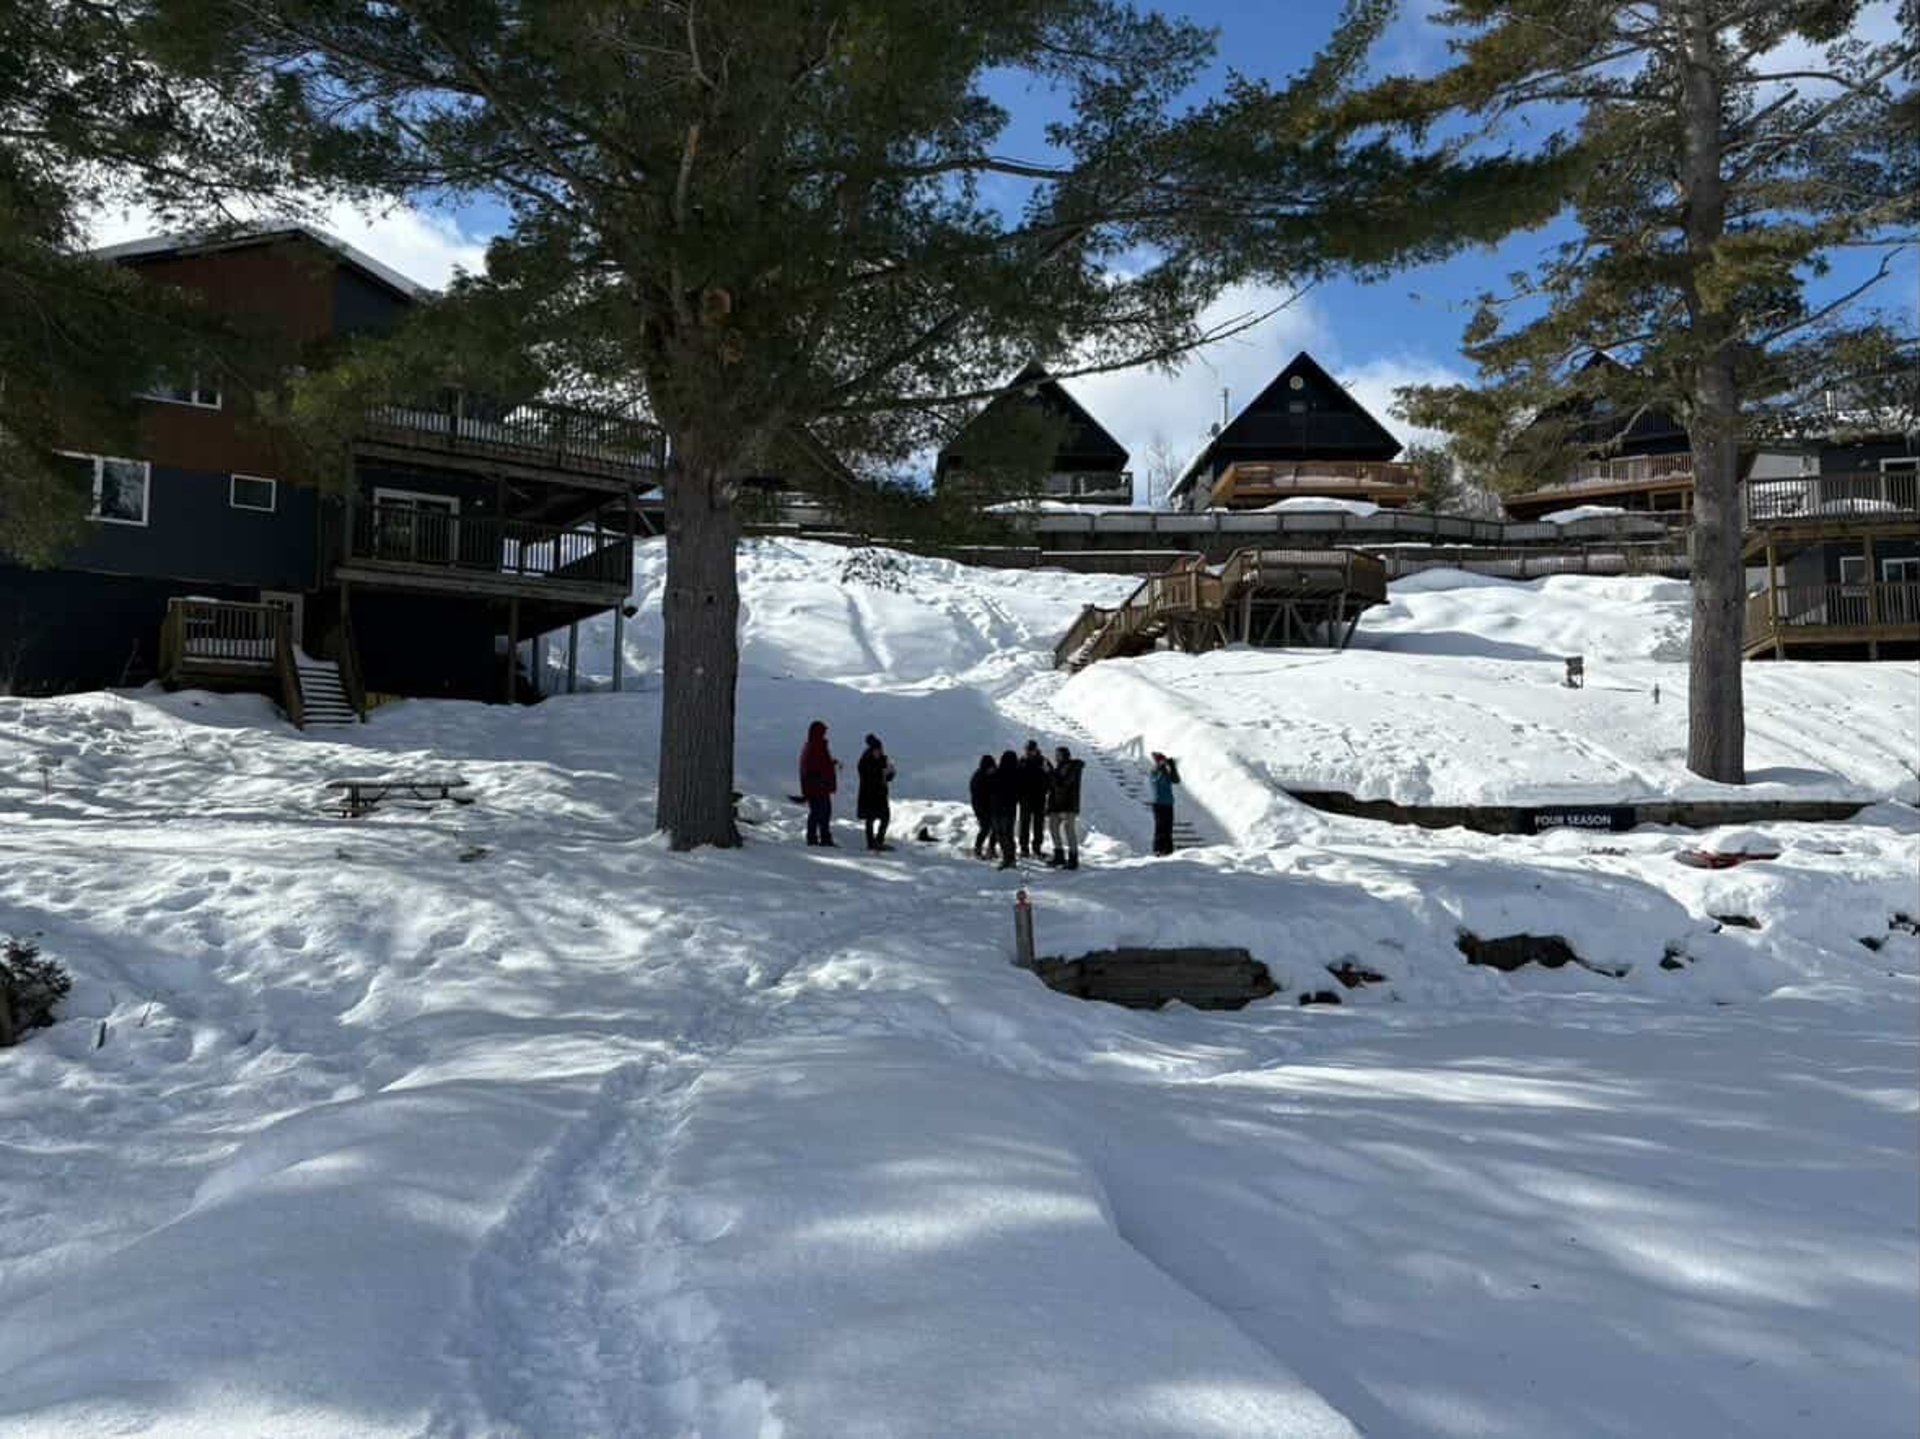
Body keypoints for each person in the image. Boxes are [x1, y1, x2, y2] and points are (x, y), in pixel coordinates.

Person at [799, 720, 839, 846]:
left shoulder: (814, 746)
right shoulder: (815, 746)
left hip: (818, 786)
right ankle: (817, 838)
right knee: (820, 813)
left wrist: (831, 763)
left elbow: (819, 764)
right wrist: (828, 767)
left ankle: (819, 838)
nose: (825, 734)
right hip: (817, 787)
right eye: (823, 732)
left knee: (821, 813)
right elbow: (813, 767)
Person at [1046, 745, 1085, 870]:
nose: (1055, 757)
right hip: (1056, 805)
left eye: (1058, 754)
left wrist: (1050, 772)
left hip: (1068, 805)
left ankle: (1073, 859)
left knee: (1069, 831)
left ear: (1064, 755)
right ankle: (1059, 855)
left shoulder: (1072, 767)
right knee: (1053, 829)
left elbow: (1062, 784)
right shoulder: (1060, 767)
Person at [856, 733, 896, 851]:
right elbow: (867, 777)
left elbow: (887, 777)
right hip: (869, 794)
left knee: (885, 817)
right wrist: (882, 773)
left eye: (880, 749)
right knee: (870, 818)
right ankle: (872, 843)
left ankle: (878, 841)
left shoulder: (882, 759)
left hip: (880, 794)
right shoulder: (865, 761)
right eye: (877, 750)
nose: (880, 752)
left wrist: (890, 773)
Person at [1016, 739, 1052, 857]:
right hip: (1025, 798)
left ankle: (1036, 848)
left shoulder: (1044, 761)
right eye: (1027, 750)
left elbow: (1051, 778)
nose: (1028, 752)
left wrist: (1047, 791)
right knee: (1024, 824)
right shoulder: (1021, 761)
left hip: (1039, 798)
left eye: (1031, 750)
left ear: (1036, 750)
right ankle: (1024, 848)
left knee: (1038, 825)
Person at [991, 749, 1022, 870]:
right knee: (1008, 835)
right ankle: (1011, 858)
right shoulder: (1018, 773)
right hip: (1010, 809)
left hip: (997, 808)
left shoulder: (997, 772)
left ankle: (1007, 858)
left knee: (1001, 834)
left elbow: (991, 789)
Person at [1148, 751, 1180, 856]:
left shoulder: (1166, 771)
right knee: (1160, 827)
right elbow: (1157, 782)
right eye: (1162, 760)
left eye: (1164, 760)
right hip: (1158, 803)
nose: (1163, 762)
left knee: (1168, 827)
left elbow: (1176, 780)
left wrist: (1172, 766)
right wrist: (1161, 769)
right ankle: (1158, 849)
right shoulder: (1154, 771)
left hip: (1168, 803)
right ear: (1157, 762)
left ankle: (1168, 850)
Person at [969, 754, 999, 860]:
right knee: (985, 828)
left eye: (993, 767)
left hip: (993, 807)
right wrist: (982, 810)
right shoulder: (978, 777)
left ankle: (991, 848)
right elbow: (976, 797)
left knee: (996, 828)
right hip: (980, 807)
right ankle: (977, 848)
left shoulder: (994, 775)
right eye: (990, 768)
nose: (992, 770)